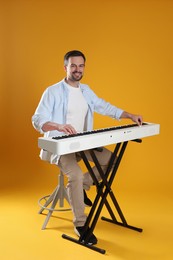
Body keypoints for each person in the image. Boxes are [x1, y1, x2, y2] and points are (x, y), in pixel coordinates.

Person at [32, 50, 143, 245]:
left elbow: (105, 107)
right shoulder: (52, 91)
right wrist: (58, 126)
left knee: (111, 161)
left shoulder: (86, 90)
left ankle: (82, 186)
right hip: (60, 145)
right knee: (73, 174)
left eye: (81, 66)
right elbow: (37, 119)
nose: (77, 69)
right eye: (73, 65)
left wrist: (129, 115)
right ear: (65, 67)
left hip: (84, 143)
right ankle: (81, 224)